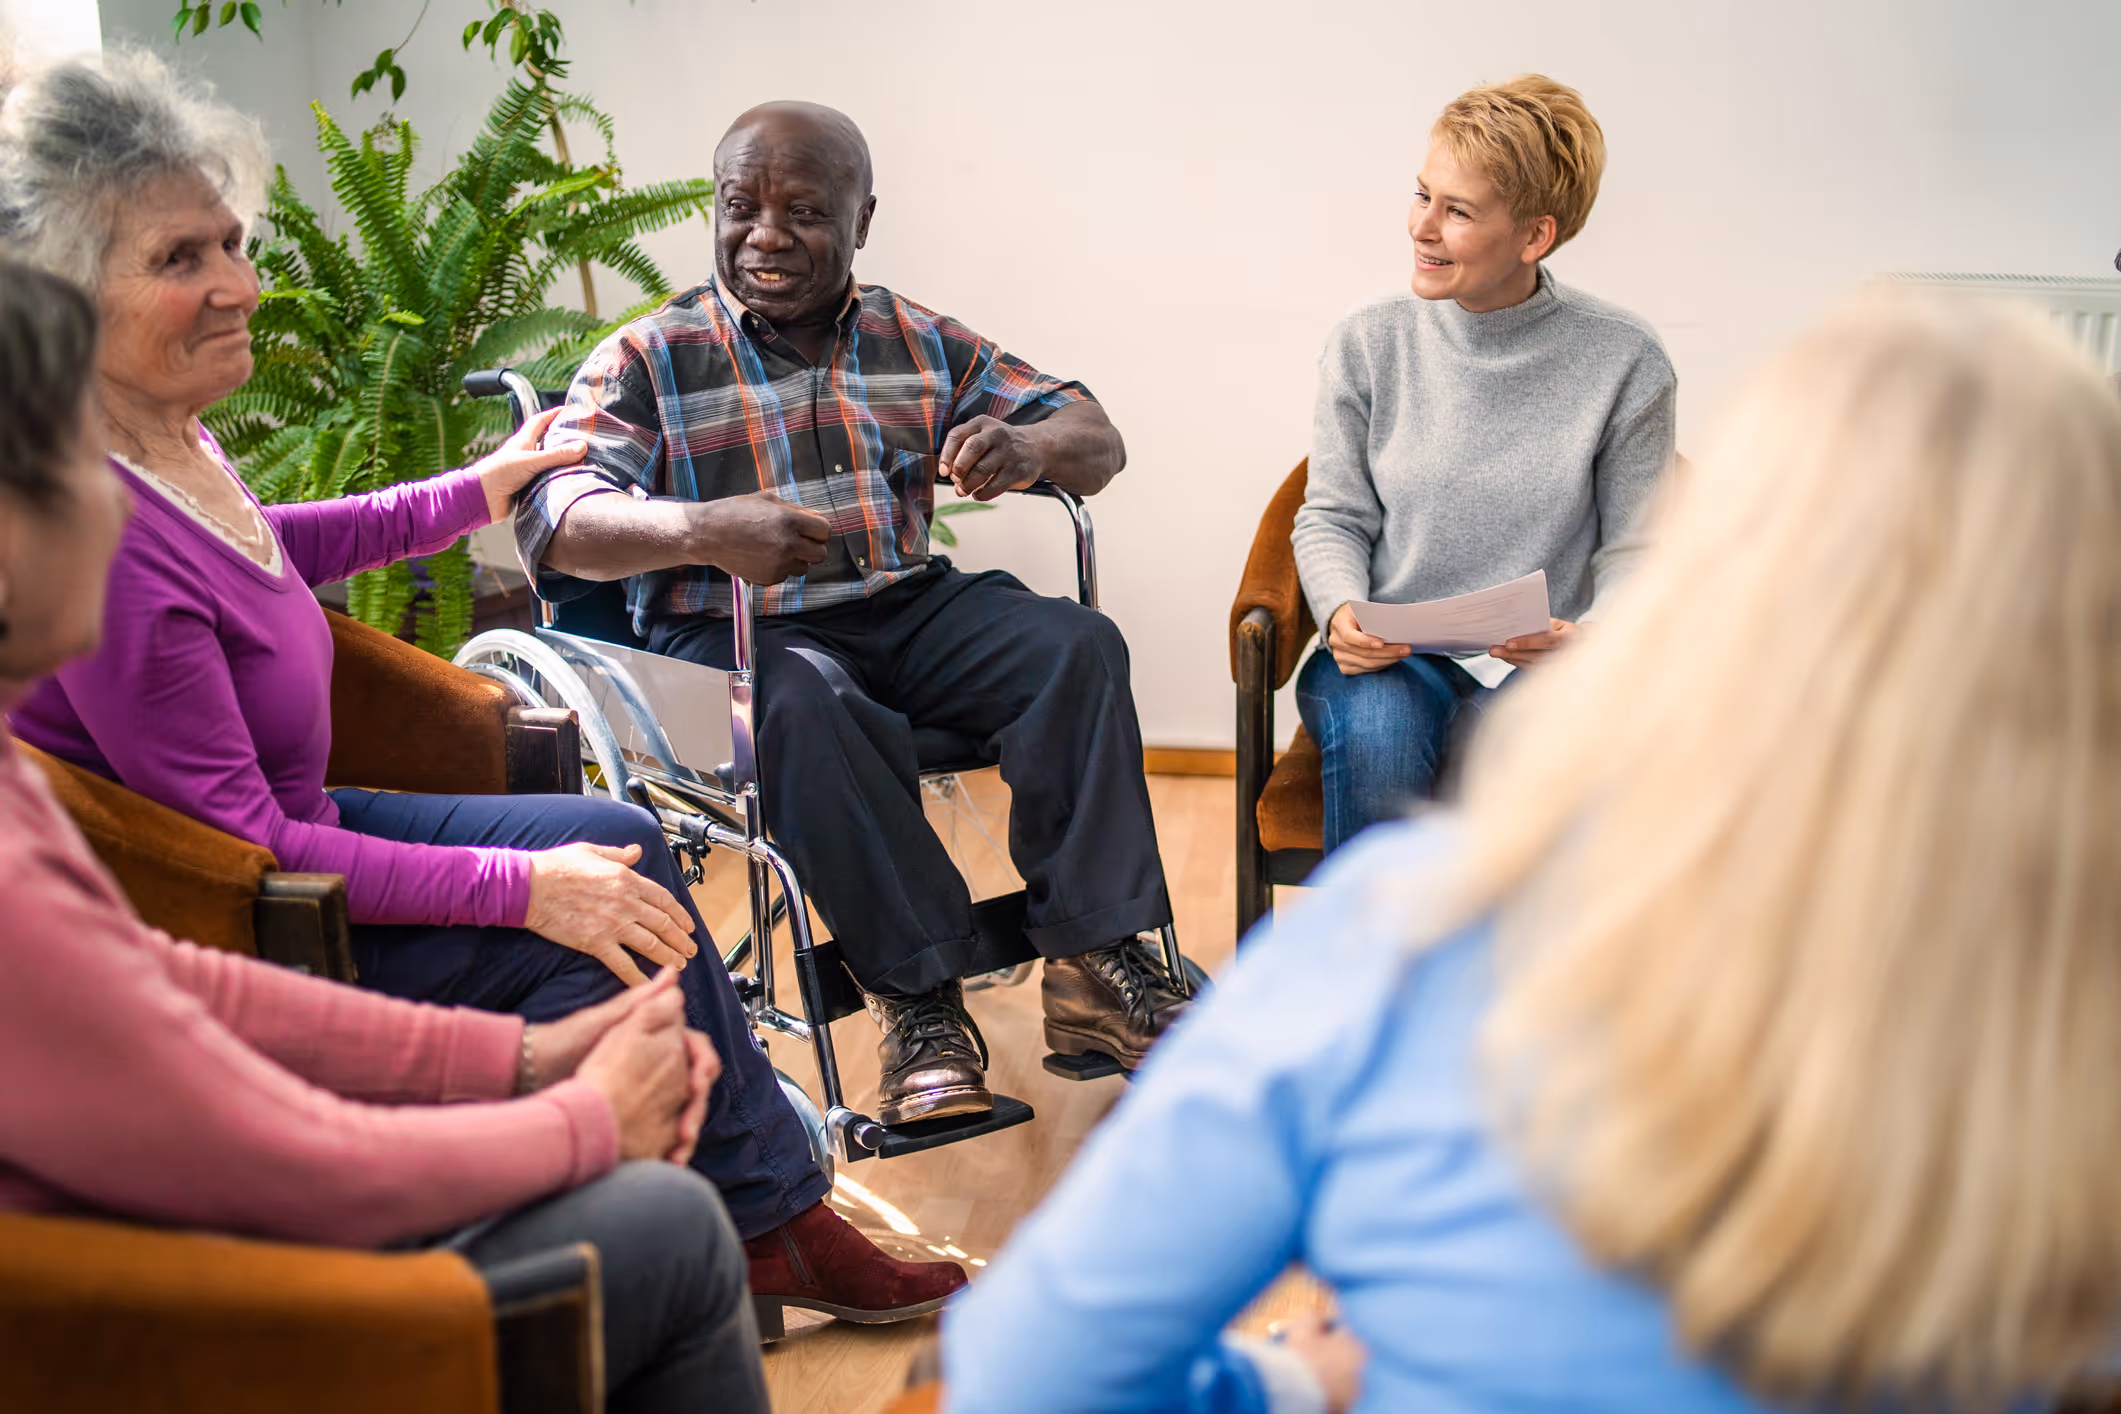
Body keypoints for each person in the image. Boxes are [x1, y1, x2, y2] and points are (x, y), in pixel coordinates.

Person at [944, 292, 2121, 1412]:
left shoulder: (1404, 942)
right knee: (1382, 713)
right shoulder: (2068, 1058)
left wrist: (1299, 1382)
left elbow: (1015, 1381)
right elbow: (1333, 517)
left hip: (1515, 699)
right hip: (1392, 657)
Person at [0, 51, 960, 1326]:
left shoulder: (160, 430)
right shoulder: (95, 531)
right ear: (61, 291)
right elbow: (245, 847)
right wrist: (520, 886)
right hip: (258, 899)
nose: (242, 283)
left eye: (233, 241)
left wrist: (478, 487)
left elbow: (264, 546)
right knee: (593, 928)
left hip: (300, 823)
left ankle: (766, 1216)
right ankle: (724, 1232)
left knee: (616, 840)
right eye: (183, 260)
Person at [0, 255, 769, 1413]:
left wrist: (520, 1063)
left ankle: (777, 1207)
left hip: (183, 1213)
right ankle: (756, 1213)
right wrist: (579, 1121)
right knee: (660, 1221)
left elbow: (188, 987)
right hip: (164, 1304)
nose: (127, 508)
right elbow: (267, 1149)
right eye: (81, 473)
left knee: (610, 858)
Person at [515, 100, 1186, 1124]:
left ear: (863, 217)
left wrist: (1029, 450)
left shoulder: (914, 339)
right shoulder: (648, 356)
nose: (766, 234)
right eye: (741, 206)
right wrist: (700, 528)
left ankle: (1096, 965)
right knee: (809, 703)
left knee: (1074, 646)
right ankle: (917, 1002)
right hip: (725, 637)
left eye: (803, 210)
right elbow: (557, 519)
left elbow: (1095, 434)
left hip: (899, 608)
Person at [1292, 76, 1675, 854]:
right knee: (1380, 746)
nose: (1421, 227)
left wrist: (1590, 636)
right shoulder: (1369, 340)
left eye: (1457, 210)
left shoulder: (1624, 360)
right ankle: (1376, 973)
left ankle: (1530, 977)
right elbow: (1331, 514)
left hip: (1544, 671)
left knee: (1539, 761)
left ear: (1534, 236)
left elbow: (1638, 551)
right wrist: (1340, 612)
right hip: (1389, 660)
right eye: (1421, 194)